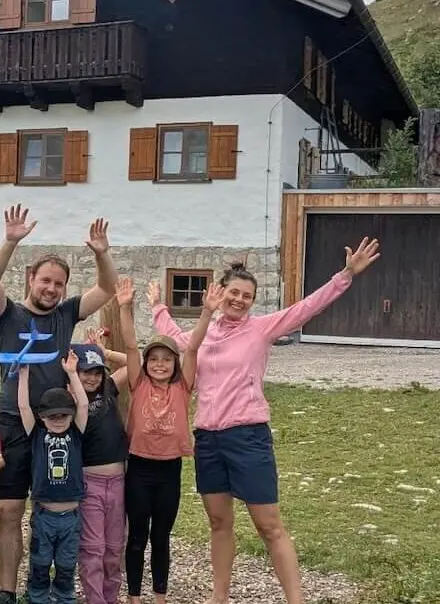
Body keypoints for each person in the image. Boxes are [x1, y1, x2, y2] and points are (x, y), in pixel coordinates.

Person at [149, 238, 381, 604]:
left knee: (268, 525)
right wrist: (157, 307)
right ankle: (219, 597)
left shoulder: (262, 329)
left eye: (247, 296)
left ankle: (295, 600)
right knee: (219, 523)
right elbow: (177, 339)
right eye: (234, 292)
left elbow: (306, 308)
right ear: (220, 291)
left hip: (247, 437)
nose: (239, 300)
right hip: (208, 439)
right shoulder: (204, 333)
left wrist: (345, 275)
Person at [0, 204, 117, 604]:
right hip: (14, 422)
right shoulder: (9, 315)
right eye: (46, 281)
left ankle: (49, 586)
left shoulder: (67, 314)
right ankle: (7, 590)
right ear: (32, 280)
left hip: (59, 423)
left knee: (55, 509)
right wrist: (10, 242)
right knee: (10, 510)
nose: (52, 289)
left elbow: (107, 289)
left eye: (59, 283)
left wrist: (101, 253)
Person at [118, 278, 215, 604]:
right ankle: (133, 595)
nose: (160, 364)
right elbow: (131, 346)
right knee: (137, 537)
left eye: (166, 359)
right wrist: (125, 307)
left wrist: (206, 313)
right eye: (154, 359)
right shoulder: (138, 382)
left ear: (175, 365)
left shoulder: (182, 386)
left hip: (169, 470)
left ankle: (159, 596)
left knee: (161, 537)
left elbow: (193, 347)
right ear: (146, 364)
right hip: (139, 470)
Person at [16, 353, 90, 604]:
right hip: (43, 513)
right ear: (42, 417)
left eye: (63, 416)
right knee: (40, 560)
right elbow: (24, 407)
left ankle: (64, 596)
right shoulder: (36, 433)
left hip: (71, 515)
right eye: (52, 416)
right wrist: (24, 374)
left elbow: (83, 405)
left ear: (70, 416)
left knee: (67, 562)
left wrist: (72, 372)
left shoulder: (76, 433)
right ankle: (37, 597)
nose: (58, 421)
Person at [66, 342, 127, 604]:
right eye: (85, 372)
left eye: (96, 372)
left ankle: (110, 597)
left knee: (114, 548)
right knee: (93, 548)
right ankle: (95, 599)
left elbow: (134, 364)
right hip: (89, 483)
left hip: (119, 483)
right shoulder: (69, 399)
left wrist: (107, 352)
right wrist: (70, 375)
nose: (91, 378)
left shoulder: (109, 389)